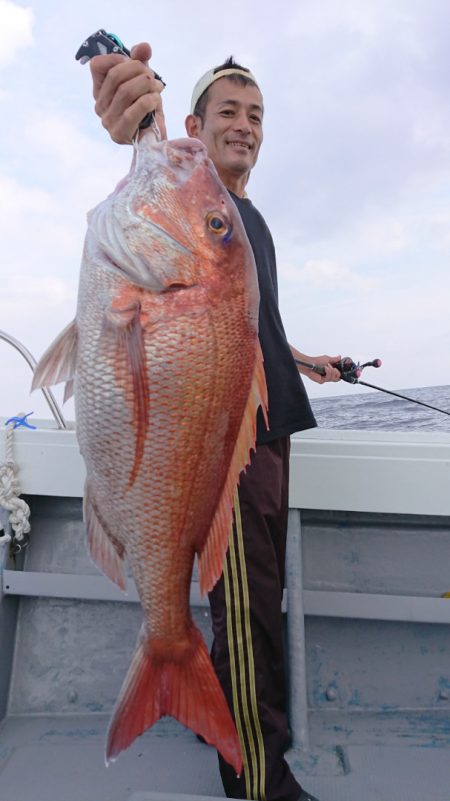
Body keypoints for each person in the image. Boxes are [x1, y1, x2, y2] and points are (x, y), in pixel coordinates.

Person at [89, 43, 341, 801]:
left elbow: (241, 329)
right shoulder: (194, 210)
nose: (246, 125)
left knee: (260, 603)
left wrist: (304, 359)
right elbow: (147, 130)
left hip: (269, 432)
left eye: (256, 114)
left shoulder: (246, 220)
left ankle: (216, 716)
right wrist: (137, 95)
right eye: (228, 111)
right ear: (194, 126)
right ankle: (255, 777)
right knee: (248, 617)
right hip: (224, 446)